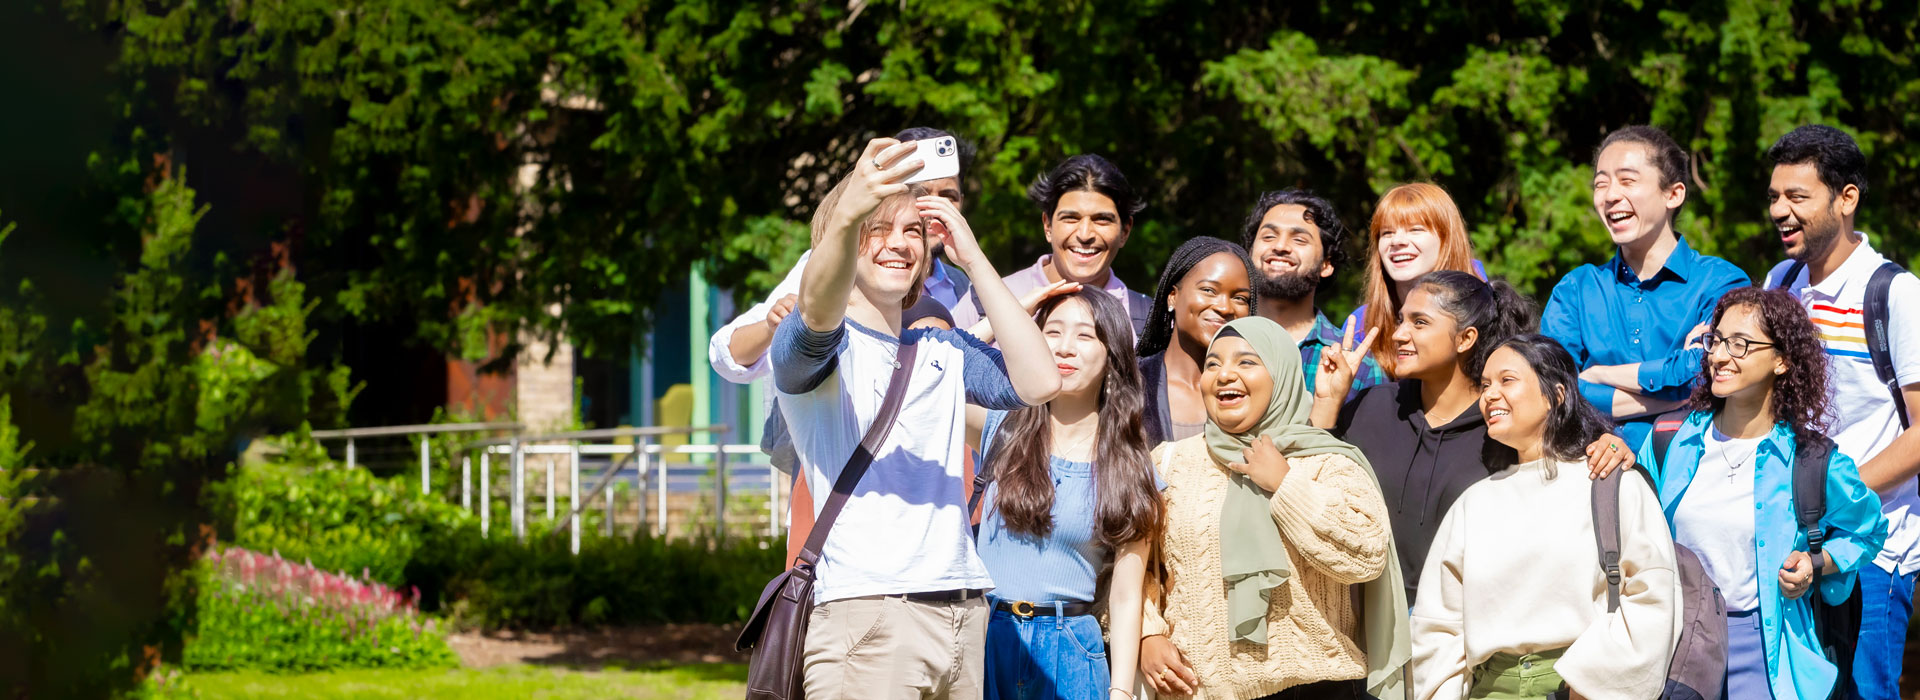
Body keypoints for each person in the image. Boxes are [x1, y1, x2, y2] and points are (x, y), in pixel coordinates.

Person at [772, 138, 1061, 699]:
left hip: (962, 608)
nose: (898, 245)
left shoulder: (941, 348)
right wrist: (852, 204)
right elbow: (817, 313)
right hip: (868, 612)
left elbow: (1040, 382)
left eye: (912, 231)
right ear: (841, 241)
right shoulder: (817, 348)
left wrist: (973, 259)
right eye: (876, 230)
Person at [1308, 271, 1636, 602]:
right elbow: (1309, 488)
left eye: (1419, 323)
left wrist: (1612, 445)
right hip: (1363, 626)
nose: (1399, 334)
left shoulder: (1503, 426)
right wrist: (1326, 400)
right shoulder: (1373, 407)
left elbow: (1578, 465)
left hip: (1461, 631)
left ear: (1465, 338)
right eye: (1401, 320)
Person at [1138, 316, 1409, 700]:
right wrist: (1147, 633)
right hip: (1195, 690)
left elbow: (1365, 557)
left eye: (1246, 362)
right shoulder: (1169, 464)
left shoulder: (1326, 463)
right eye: (1213, 364)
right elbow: (1130, 566)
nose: (1225, 374)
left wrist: (1285, 484)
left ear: (1281, 375)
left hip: (1315, 692)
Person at [1636, 287, 1887, 700]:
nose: (1718, 355)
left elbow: (1868, 531)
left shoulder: (1812, 459)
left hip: (1764, 649)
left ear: (1782, 360)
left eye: (1740, 344)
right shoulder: (1669, 440)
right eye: (1715, 340)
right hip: (1675, 643)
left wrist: (1815, 562)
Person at [1412, 334, 1681, 700]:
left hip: (1585, 690)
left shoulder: (1610, 482)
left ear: (1556, 395)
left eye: (1507, 380)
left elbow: (1653, 593)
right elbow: (1438, 624)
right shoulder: (1474, 502)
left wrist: (1590, 687)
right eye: (1486, 384)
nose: (1490, 394)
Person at [1760, 124, 1920, 700]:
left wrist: (1836, 500)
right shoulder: (1781, 285)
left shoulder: (1895, 294)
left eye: (1797, 197)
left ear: (1846, 198)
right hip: (1791, 547)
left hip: (1873, 552)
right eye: (1775, 196)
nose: (1780, 210)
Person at [968, 289, 1164, 700]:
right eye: (1051, 332)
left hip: (1071, 649)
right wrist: (1015, 310)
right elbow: (929, 373)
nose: (1064, 347)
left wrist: (1121, 691)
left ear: (1112, 357)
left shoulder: (1130, 467)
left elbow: (1126, 596)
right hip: (984, 635)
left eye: (1085, 336)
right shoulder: (1002, 428)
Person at [1541, 124, 1751, 447]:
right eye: (1601, 184)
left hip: (1693, 476)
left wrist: (1599, 375)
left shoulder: (1721, 282)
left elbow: (1706, 373)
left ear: (1673, 194)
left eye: (1627, 181)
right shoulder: (1575, 291)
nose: (1611, 196)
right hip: (1594, 479)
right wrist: (1670, 398)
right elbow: (1552, 391)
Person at [951, 154, 1154, 337]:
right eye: (1071, 218)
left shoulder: (1148, 321)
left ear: (1125, 231)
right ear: (1048, 225)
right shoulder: (983, 303)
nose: (1085, 235)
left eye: (1101, 220)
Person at [1241, 189, 1388, 400]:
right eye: (1269, 236)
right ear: (1249, 252)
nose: (1280, 246)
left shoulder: (1359, 367)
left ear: (1326, 265)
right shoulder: (1216, 339)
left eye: (1299, 240)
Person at [1346, 183, 1486, 375]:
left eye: (1415, 230)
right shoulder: (1361, 325)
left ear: (1447, 239)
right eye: (1387, 233)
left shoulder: (1490, 315)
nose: (1397, 241)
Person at [1133, 236, 1257, 447]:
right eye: (1209, 290)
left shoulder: (1253, 390)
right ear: (1172, 296)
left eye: (1239, 298)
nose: (1225, 307)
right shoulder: (1129, 382)